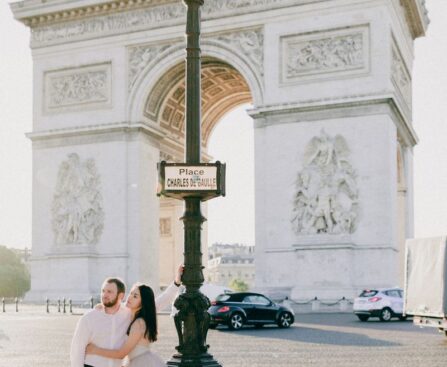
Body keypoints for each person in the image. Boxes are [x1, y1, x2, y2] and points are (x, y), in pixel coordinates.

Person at [70, 267, 182, 367]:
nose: (105, 295)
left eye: (109, 292)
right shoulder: (90, 317)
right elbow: (77, 350)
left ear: (120, 295)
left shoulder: (128, 314)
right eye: (103, 291)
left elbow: (158, 303)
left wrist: (176, 283)